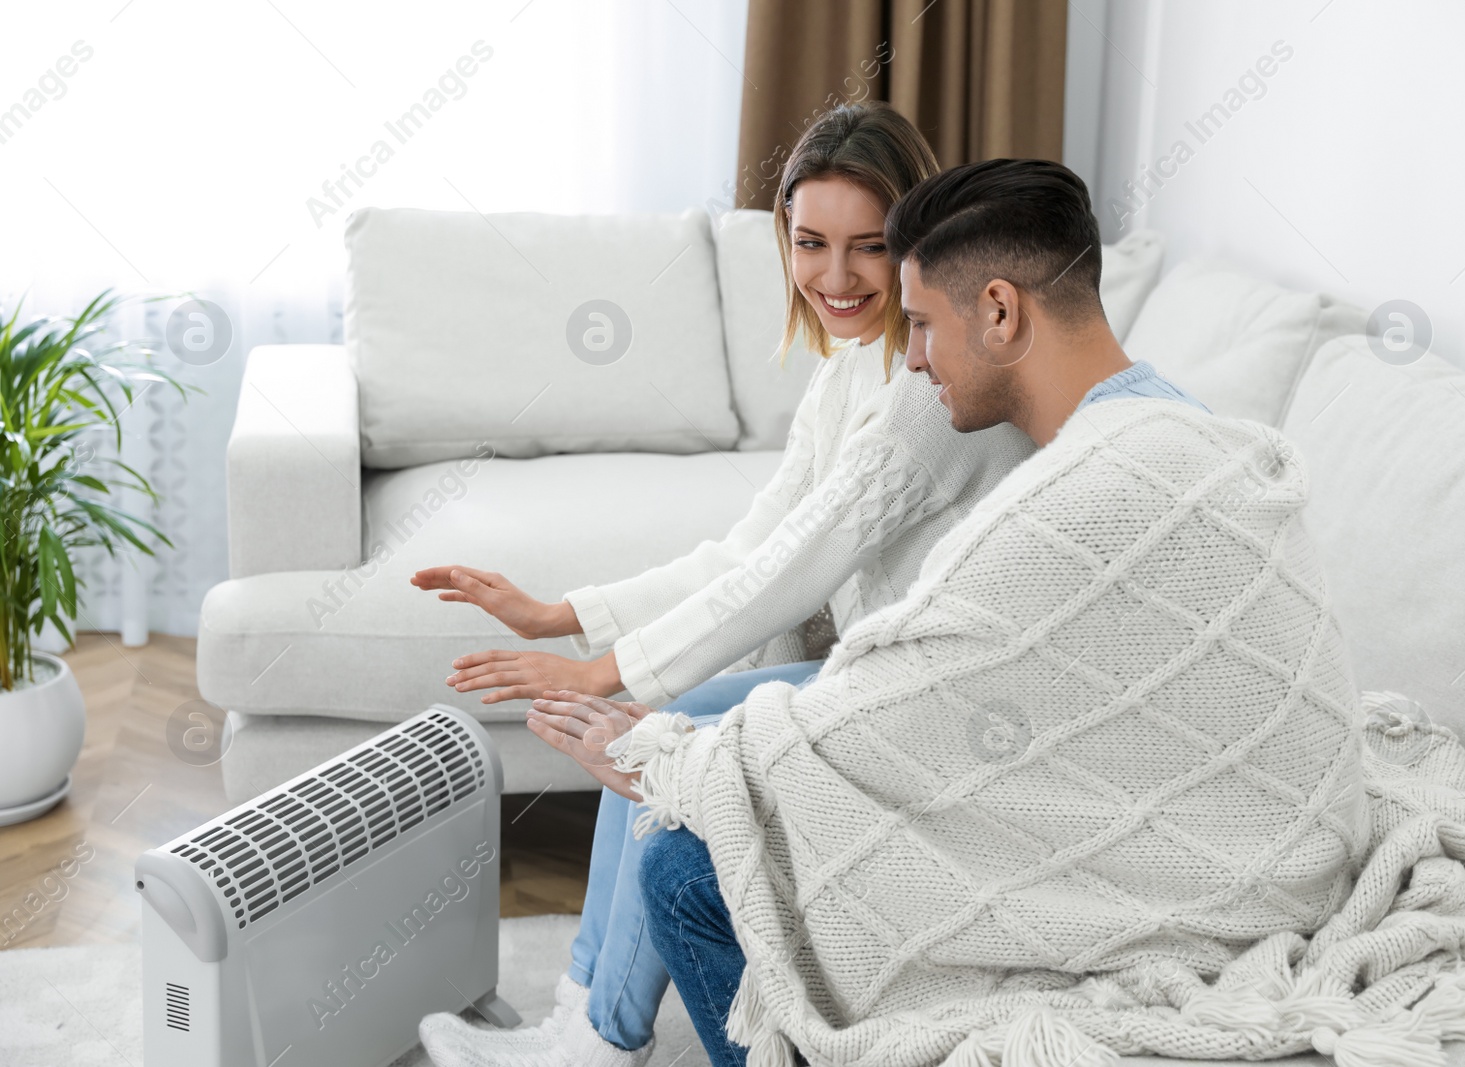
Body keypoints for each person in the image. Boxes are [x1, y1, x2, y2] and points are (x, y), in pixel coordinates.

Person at [520, 158, 1376, 1067]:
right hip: (1236, 834)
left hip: (1213, 882)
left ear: (1000, 311)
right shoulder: (1180, 426)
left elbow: (882, 715)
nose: (914, 356)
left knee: (685, 866)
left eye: (922, 324)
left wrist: (674, 758)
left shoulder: (1080, 497)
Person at [414, 103, 1038, 1067]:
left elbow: (793, 573)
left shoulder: (930, 386)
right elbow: (754, 545)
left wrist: (606, 673)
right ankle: (584, 1024)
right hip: (872, 674)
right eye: (810, 243)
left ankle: (594, 1041)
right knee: (658, 719)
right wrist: (561, 615)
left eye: (869, 247)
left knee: (665, 729)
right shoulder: (848, 374)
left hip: (932, 698)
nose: (835, 277)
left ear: (917, 238)